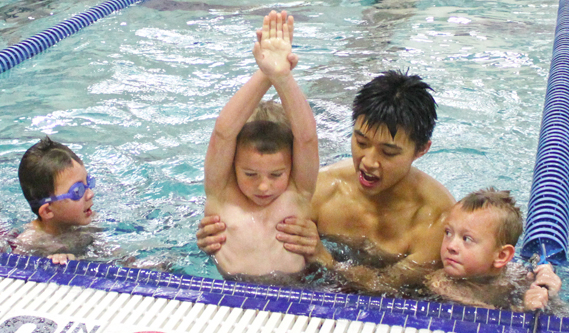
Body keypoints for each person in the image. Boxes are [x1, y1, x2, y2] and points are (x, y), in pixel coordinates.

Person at [198, 69, 456, 294]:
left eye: (388, 152)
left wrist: (326, 259)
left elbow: (391, 288)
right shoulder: (323, 189)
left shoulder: (439, 221)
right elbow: (251, 217)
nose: (368, 161)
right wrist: (210, 235)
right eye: (361, 142)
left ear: (421, 150)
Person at [203, 10, 319, 277]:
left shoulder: (298, 193)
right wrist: (266, 74)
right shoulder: (221, 193)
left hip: (297, 292)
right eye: (250, 174)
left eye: (277, 174)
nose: (264, 186)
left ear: (291, 167)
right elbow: (223, 134)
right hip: (229, 295)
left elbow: (307, 139)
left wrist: (283, 77)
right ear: (233, 165)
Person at [425, 187, 562, 312]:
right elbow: (491, 317)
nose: (451, 246)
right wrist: (524, 309)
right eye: (448, 232)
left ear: (502, 256)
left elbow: (535, 263)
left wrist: (546, 276)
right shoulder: (442, 284)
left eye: (467, 239)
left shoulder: (514, 273)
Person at [14, 136, 96, 265]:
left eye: (88, 182)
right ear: (47, 211)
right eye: (78, 191)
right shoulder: (30, 242)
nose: (90, 194)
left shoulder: (90, 222)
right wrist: (54, 264)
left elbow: (114, 255)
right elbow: (16, 271)